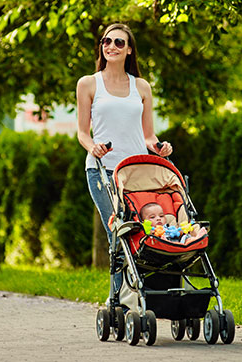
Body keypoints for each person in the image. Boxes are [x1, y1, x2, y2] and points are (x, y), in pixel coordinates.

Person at [76, 23, 172, 298]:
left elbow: (149, 135)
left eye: (119, 42)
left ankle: (140, 292)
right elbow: (83, 132)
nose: (111, 46)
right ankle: (116, 298)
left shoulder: (141, 87)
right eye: (107, 41)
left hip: (135, 173)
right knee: (117, 233)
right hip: (102, 171)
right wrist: (93, 147)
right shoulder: (88, 83)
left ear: (129, 50)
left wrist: (160, 148)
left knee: (143, 231)